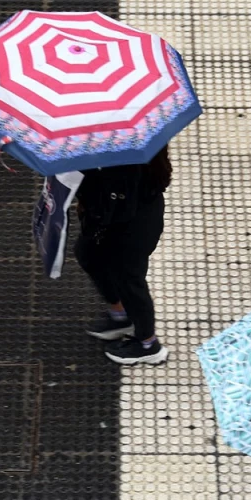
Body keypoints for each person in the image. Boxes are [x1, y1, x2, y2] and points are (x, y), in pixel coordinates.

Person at [74, 146, 171, 366]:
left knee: (129, 280)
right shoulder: (131, 145)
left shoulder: (124, 160)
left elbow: (114, 201)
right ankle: (121, 315)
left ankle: (148, 343)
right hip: (120, 216)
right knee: (87, 254)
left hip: (129, 226)